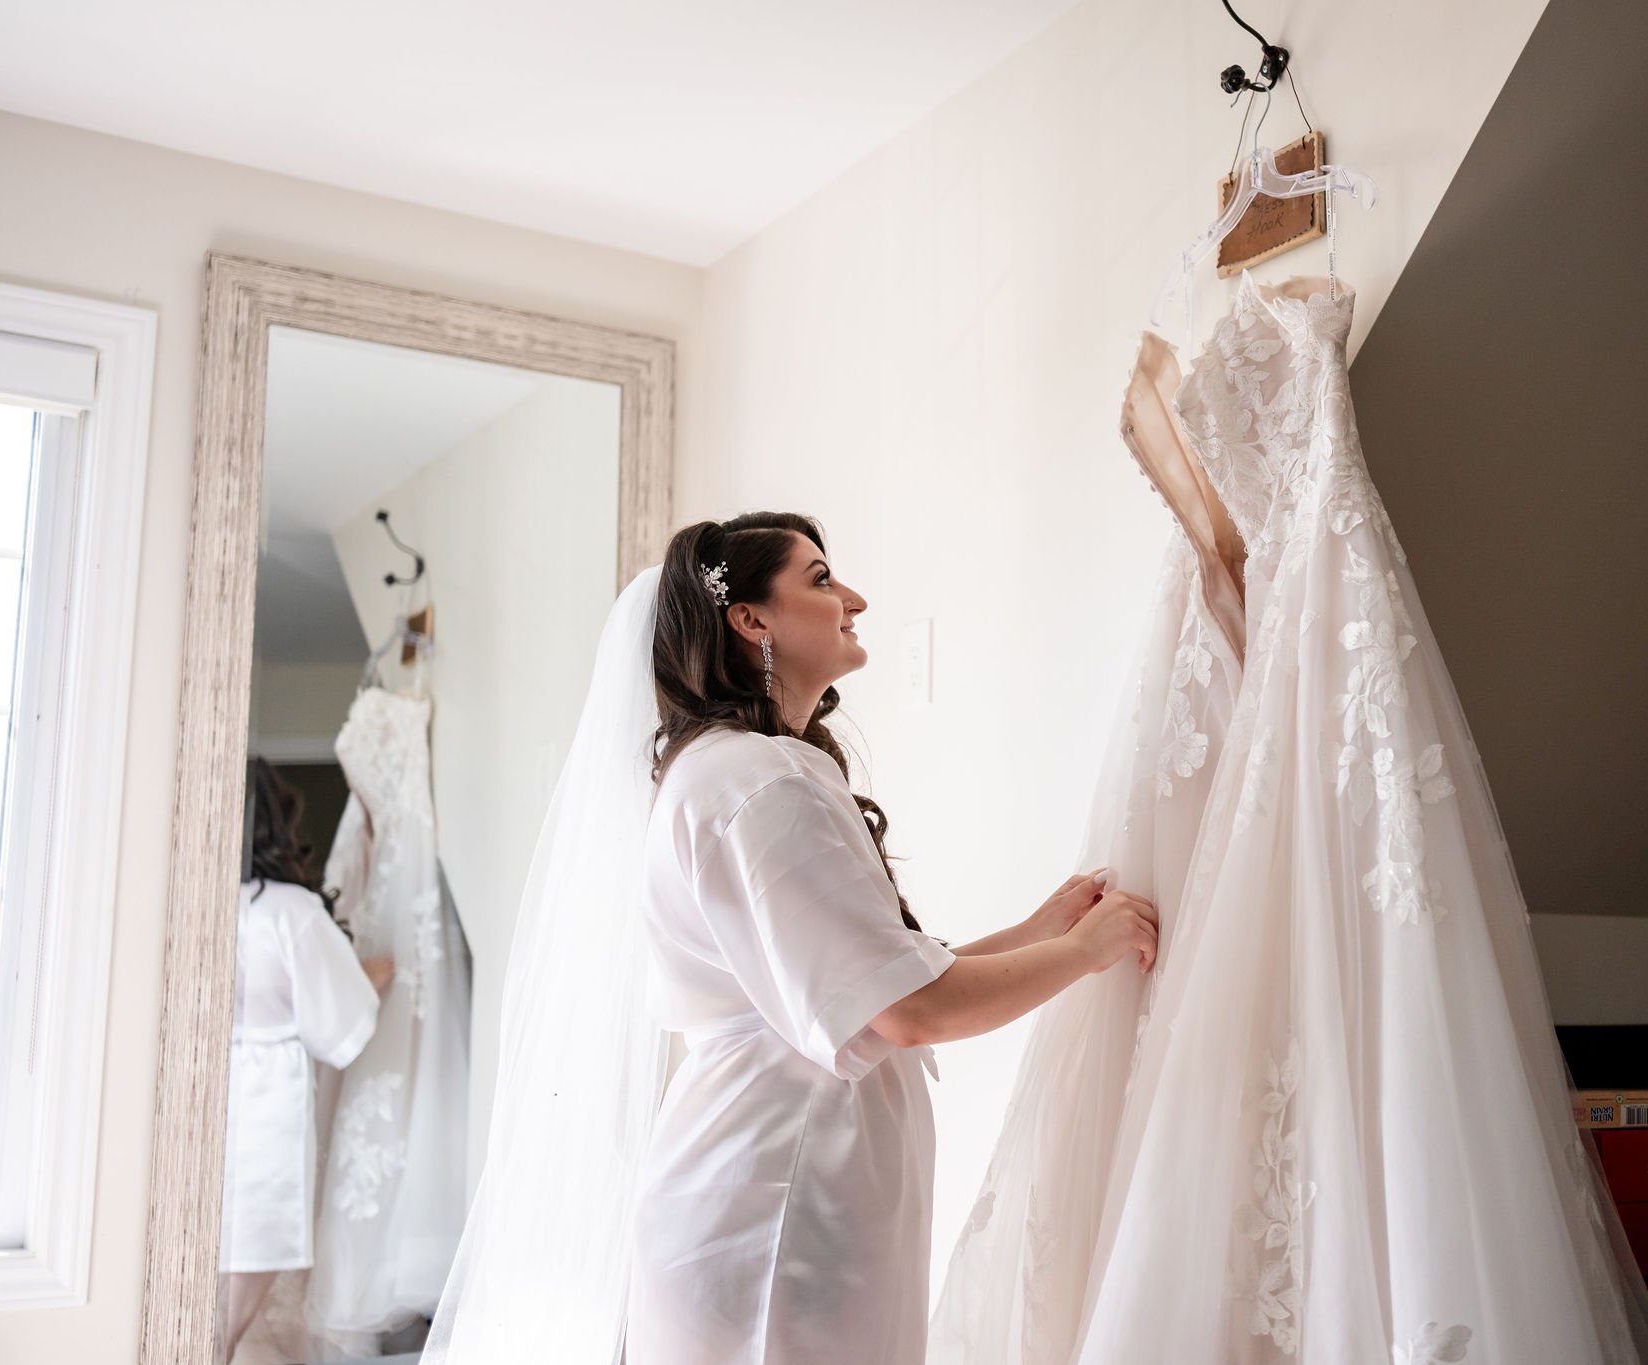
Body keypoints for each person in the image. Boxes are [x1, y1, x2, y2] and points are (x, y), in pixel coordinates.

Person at [422, 513, 1158, 1365]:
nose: (854, 598)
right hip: (776, 1202)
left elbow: (879, 978)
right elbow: (910, 1009)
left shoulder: (740, 769)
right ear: (751, 619)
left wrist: (1039, 929)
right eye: (819, 578)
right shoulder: (756, 781)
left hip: (783, 1185)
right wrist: (1086, 950)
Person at [217, 758, 391, 1363]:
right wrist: (373, 977)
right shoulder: (287, 911)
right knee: (245, 1268)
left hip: (204, 1095)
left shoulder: (193, 903)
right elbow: (338, 1029)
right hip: (264, 1101)